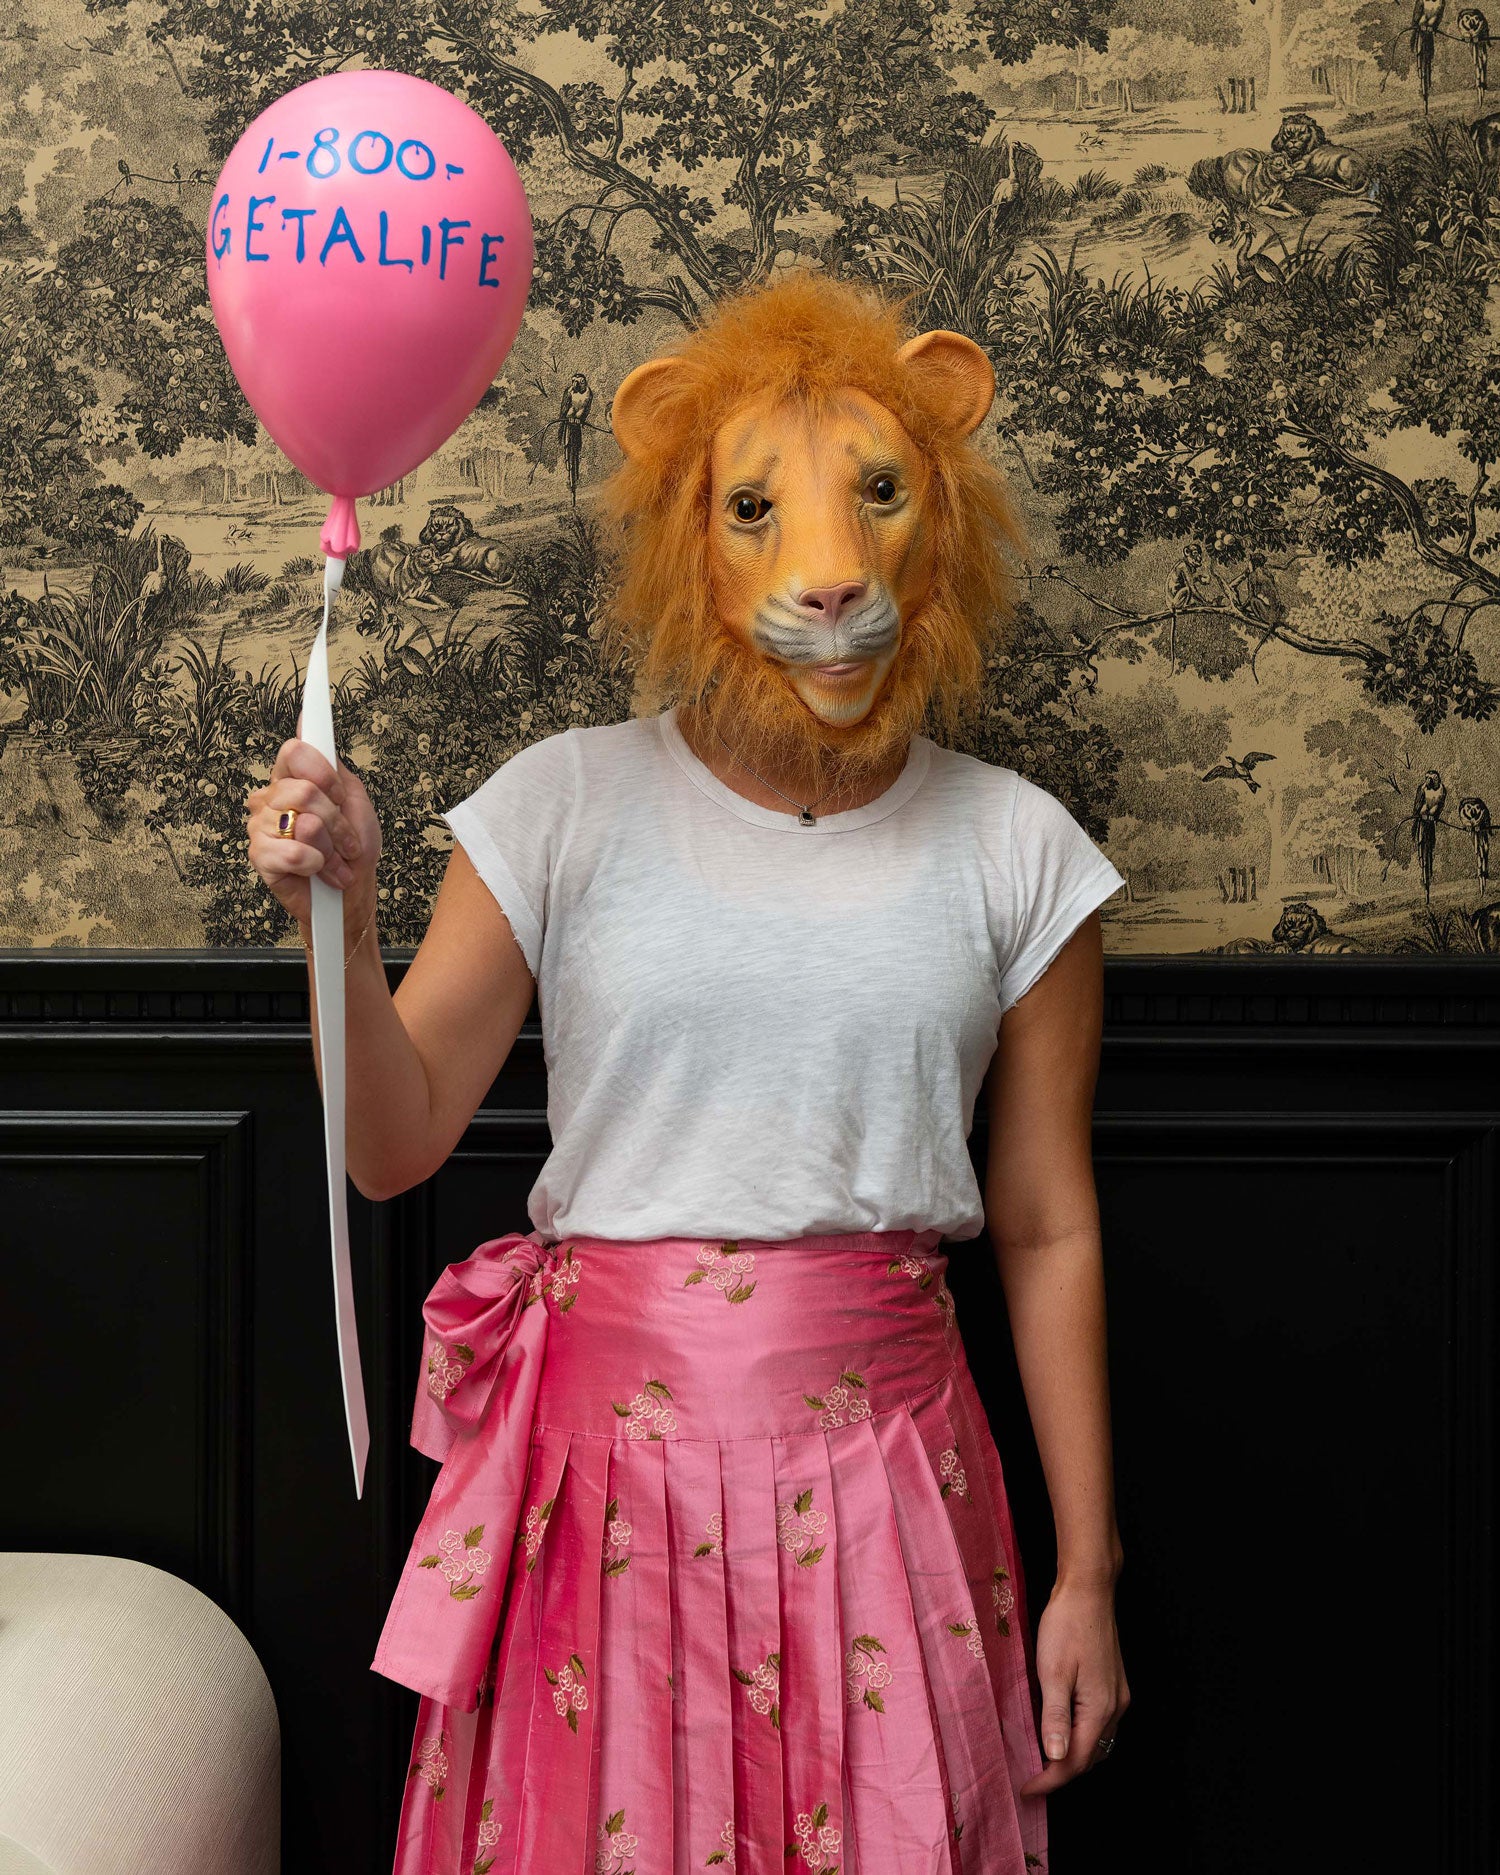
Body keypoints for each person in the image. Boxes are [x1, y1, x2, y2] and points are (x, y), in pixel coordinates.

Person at [246, 271, 1130, 1875]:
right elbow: (391, 1148)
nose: (829, 572)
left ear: (941, 514)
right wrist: (346, 915)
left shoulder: (1021, 847)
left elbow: (1050, 1226)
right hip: (603, 1496)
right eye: (756, 507)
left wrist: (1089, 1576)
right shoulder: (560, 804)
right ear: (689, 535)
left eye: (878, 493)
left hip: (892, 1489)